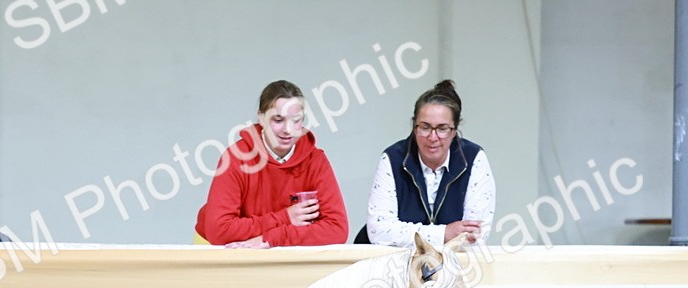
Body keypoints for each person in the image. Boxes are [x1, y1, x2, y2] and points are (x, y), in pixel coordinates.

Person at [195, 80, 348, 248]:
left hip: (273, 245)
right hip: (220, 246)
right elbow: (219, 231)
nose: (288, 130)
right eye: (278, 120)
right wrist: (285, 218)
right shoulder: (235, 157)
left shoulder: (316, 160)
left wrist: (271, 238)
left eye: (296, 120)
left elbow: (337, 229)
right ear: (261, 117)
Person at [363, 79, 495, 248]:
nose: (433, 138)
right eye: (425, 127)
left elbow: (474, 236)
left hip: (453, 265)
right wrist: (444, 233)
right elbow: (378, 231)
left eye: (442, 129)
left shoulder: (474, 158)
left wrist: (412, 235)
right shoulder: (393, 158)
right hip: (396, 265)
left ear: (454, 130)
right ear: (414, 126)